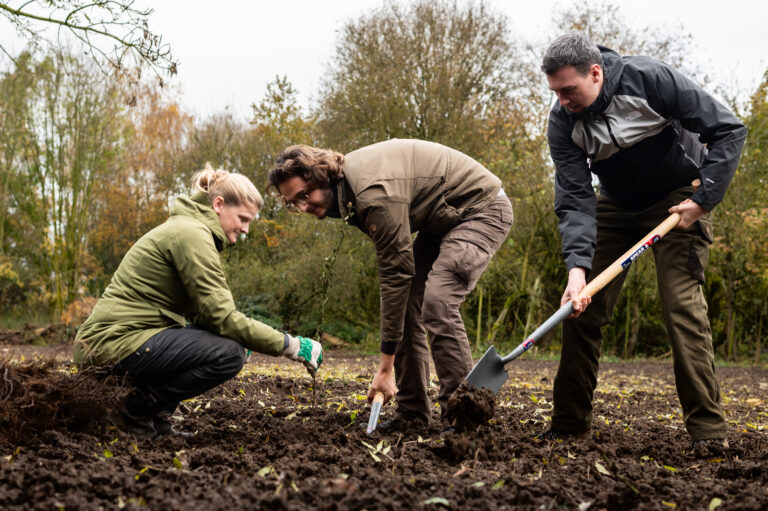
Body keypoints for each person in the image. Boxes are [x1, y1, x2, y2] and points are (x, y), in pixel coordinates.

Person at [541, 34, 747, 451]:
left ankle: (708, 433)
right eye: (555, 92)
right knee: (579, 308)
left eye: (568, 90)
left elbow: (728, 130)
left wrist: (702, 201)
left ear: (595, 73)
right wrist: (577, 270)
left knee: (680, 306)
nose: (562, 100)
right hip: (616, 204)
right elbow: (576, 198)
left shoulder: (648, 79)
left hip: (678, 199)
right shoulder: (564, 123)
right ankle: (568, 425)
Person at [267, 139, 513, 428]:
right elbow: (397, 272)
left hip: (480, 209)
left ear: (321, 177)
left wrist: (385, 369)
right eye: (293, 204)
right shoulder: (348, 191)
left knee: (438, 300)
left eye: (303, 196)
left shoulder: (372, 194)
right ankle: (413, 414)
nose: (302, 206)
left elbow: (395, 273)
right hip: (441, 219)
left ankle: (464, 417)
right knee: (408, 302)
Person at [74, 164, 323, 440]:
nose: (246, 229)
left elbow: (204, 316)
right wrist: (291, 345)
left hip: (119, 342)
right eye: (242, 218)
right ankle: (134, 412)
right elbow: (222, 317)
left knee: (229, 345)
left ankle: (155, 423)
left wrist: (247, 338)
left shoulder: (189, 229)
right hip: (111, 344)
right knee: (228, 354)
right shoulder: (192, 235)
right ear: (218, 205)